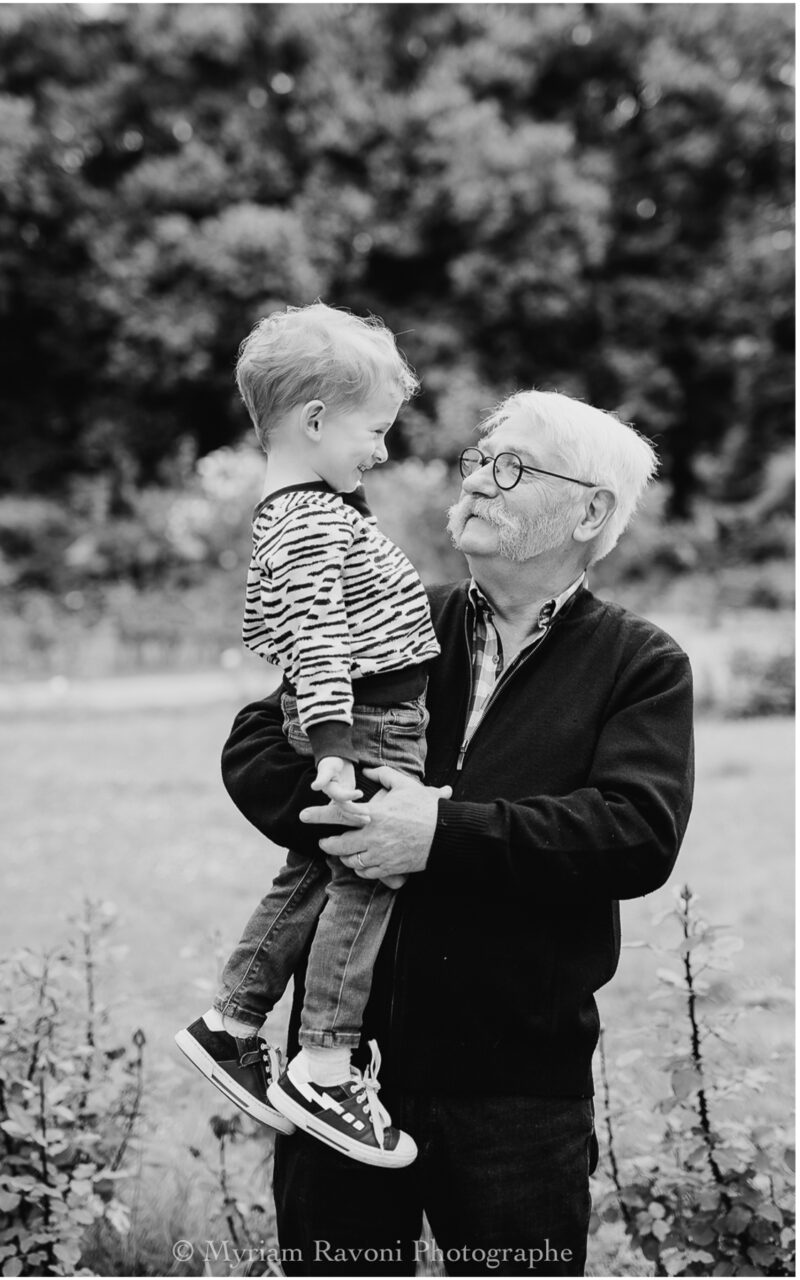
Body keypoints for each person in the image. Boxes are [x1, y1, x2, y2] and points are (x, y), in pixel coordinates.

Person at [220, 390, 694, 1275]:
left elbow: (635, 832)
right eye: (478, 459)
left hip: (517, 1087)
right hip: (340, 1073)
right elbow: (256, 743)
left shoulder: (642, 663)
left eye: (509, 467)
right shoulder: (400, 614)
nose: (475, 479)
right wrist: (358, 817)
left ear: (589, 510)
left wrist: (440, 833)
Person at [175, 305, 436, 1169]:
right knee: (371, 874)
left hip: (357, 713)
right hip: (364, 720)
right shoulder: (311, 525)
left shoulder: (303, 510)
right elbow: (316, 637)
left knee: (318, 870)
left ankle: (232, 1023)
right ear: (316, 421)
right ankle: (325, 1061)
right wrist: (330, 745)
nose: (384, 451)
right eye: (375, 430)